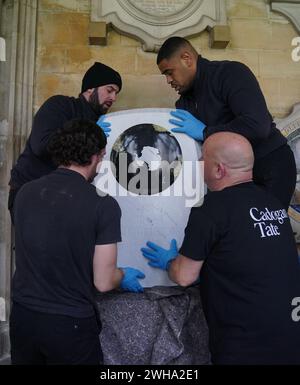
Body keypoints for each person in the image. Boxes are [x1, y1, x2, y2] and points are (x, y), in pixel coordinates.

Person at [141, 132, 300, 365]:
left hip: (246, 347)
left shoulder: (212, 209)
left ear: (218, 170)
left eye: (202, 158)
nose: (198, 164)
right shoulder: (272, 203)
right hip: (290, 337)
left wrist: (169, 262)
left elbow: (184, 276)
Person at [10, 119, 145, 365]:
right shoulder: (102, 205)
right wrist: (122, 275)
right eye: (102, 156)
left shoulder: (25, 192)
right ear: (94, 156)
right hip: (69, 323)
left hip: (23, 316)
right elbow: (103, 282)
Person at [157, 36, 296, 210]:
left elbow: (257, 125)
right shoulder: (183, 104)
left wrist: (206, 132)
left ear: (187, 59)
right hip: (227, 179)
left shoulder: (230, 73)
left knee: (263, 232)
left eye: (170, 72)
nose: (168, 80)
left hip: (269, 166)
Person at [8, 61, 121, 218]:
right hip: (32, 193)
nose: (113, 97)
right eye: (109, 90)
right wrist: (86, 133)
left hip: (69, 197)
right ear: (90, 88)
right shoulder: (60, 105)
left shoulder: (102, 122)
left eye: (116, 93)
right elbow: (41, 146)